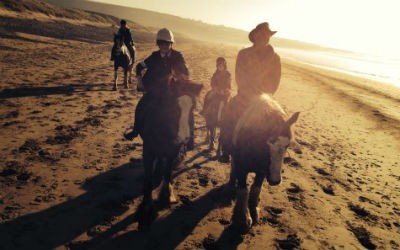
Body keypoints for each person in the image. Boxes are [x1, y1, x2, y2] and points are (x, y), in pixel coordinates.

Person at [219, 22, 282, 162]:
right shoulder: (243, 53)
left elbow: (275, 80)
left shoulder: (275, 58)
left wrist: (264, 95)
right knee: (229, 112)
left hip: (265, 98)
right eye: (261, 35)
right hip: (245, 95)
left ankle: (275, 157)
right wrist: (249, 91)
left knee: (281, 123)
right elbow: (239, 76)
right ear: (255, 36)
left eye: (267, 35)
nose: (264, 38)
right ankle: (226, 147)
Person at [124, 28, 196, 149]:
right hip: (155, 91)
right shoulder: (154, 56)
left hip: (173, 91)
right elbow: (139, 66)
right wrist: (139, 80)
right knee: (141, 106)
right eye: (161, 43)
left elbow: (185, 72)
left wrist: (180, 78)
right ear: (158, 44)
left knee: (187, 109)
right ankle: (136, 130)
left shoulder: (177, 56)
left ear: (171, 44)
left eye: (167, 43)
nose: (164, 46)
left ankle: (190, 138)